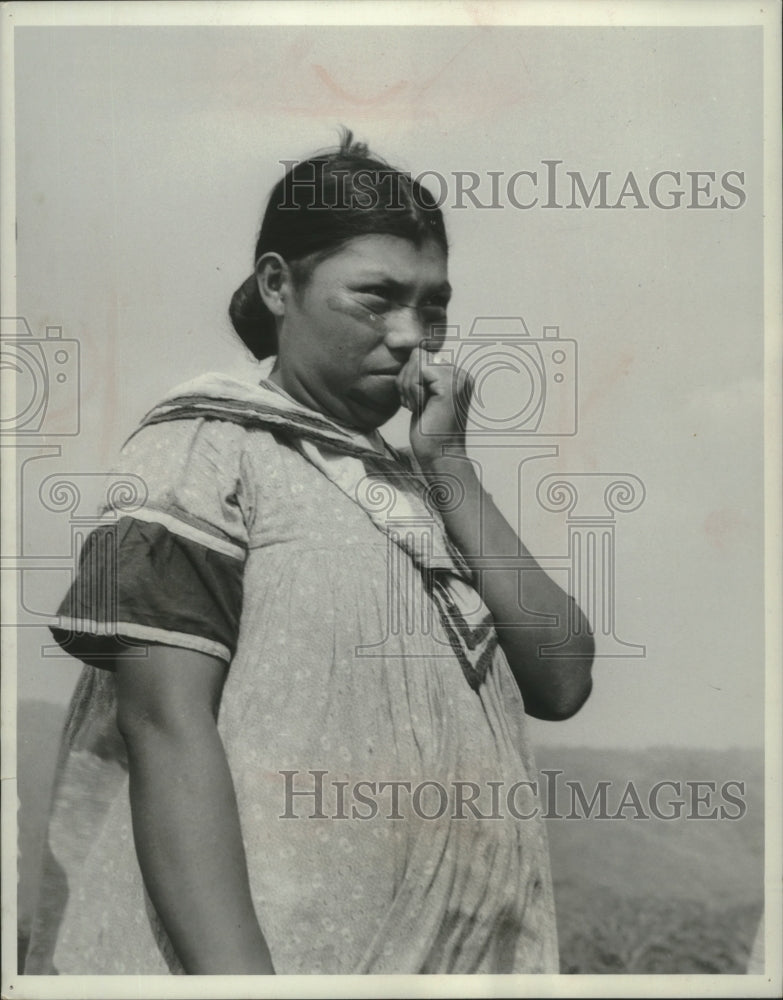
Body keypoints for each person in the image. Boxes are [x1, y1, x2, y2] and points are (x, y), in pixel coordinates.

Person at [25, 131, 594, 976]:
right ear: (277, 285)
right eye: (376, 298)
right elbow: (164, 728)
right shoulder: (203, 451)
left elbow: (562, 677)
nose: (412, 336)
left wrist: (449, 466)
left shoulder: (412, 486)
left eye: (433, 305)